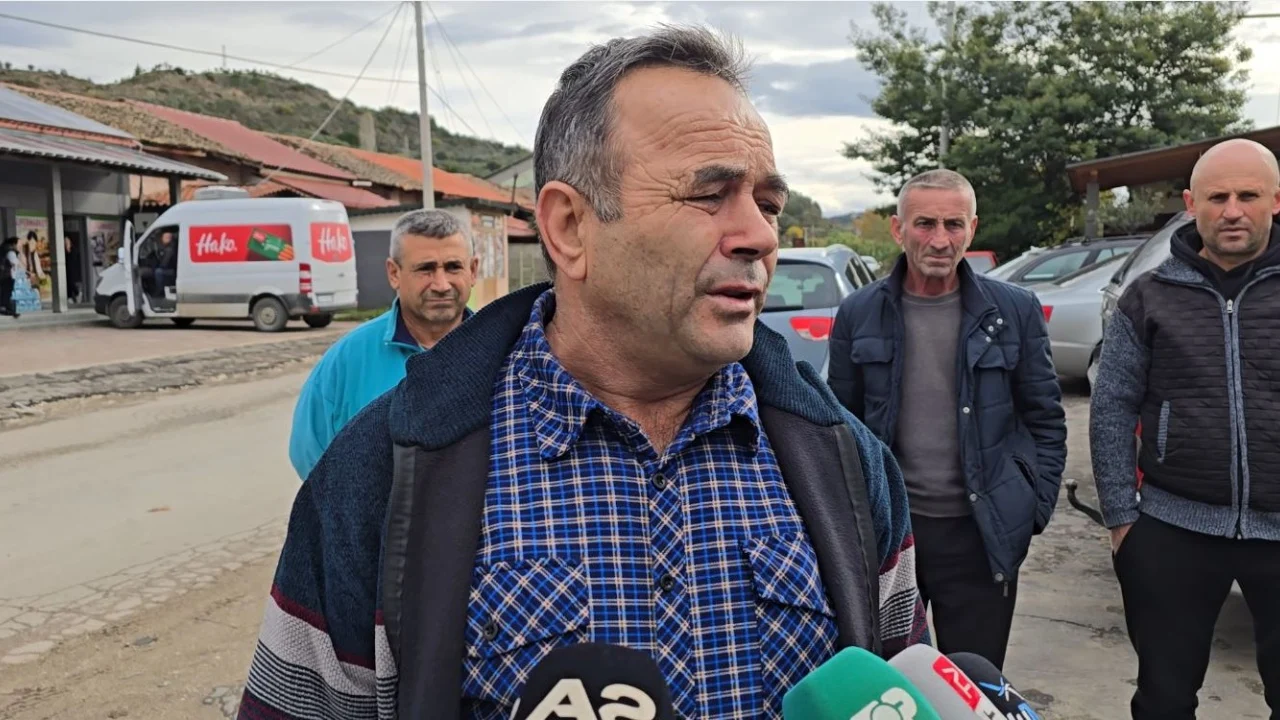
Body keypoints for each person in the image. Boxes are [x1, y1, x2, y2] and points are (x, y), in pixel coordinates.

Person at [237, 26, 926, 720]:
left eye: (768, 204)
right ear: (569, 227)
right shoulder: (384, 471)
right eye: (709, 195)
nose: (761, 236)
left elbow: (904, 688)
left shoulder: (844, 459)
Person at [827, 168, 1067, 671]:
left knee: (972, 684)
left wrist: (1030, 508)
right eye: (925, 224)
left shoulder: (1014, 311)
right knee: (893, 682)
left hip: (981, 537)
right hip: (892, 538)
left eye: (954, 224)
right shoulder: (858, 313)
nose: (940, 240)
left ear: (972, 229)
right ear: (898, 229)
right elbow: (838, 428)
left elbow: (1045, 419)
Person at [1090, 138, 1280, 720]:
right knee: (1163, 700)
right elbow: (1112, 406)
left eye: (1248, 195)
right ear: (1190, 203)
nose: (1232, 211)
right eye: (1217, 197)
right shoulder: (1148, 296)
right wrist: (1122, 519)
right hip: (1174, 526)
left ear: (1276, 201)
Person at [288, 208, 477, 480]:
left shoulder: (502, 350)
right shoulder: (347, 361)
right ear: (394, 273)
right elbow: (309, 455)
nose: (441, 284)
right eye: (425, 269)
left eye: (453, 267)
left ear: (473, 270)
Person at [1, 237, 19, 318]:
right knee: (7, 292)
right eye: (18, 244)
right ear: (14, 244)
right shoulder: (10, 252)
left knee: (5, 292)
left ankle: (7, 309)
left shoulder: (4, 250)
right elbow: (14, 262)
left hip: (4, 275)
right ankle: (6, 309)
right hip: (9, 275)